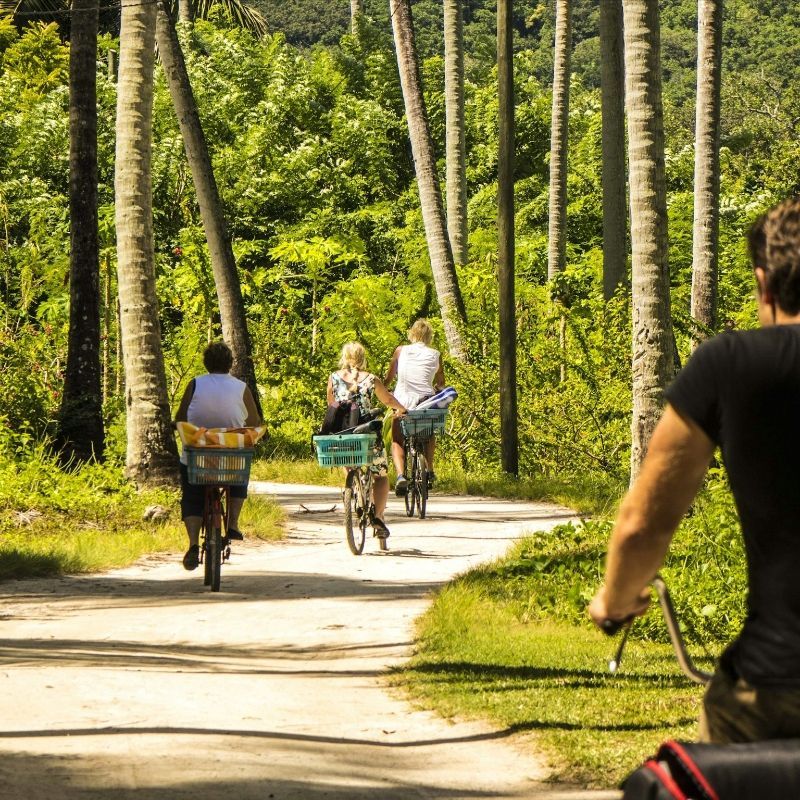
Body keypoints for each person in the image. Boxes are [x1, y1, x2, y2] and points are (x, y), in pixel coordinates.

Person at [588, 197, 800, 744]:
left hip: (771, 686)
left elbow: (644, 524)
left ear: (763, 282)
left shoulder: (729, 364)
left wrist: (614, 602)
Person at [174, 341, 261, 571]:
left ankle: (193, 544)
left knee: (192, 495)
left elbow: (181, 418)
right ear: (230, 363)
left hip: (198, 456)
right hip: (230, 458)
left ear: (206, 363)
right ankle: (232, 524)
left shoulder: (195, 384)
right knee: (240, 475)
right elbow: (254, 423)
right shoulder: (241, 387)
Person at [328, 341, 406, 540]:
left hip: (343, 432)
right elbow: (387, 399)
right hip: (366, 433)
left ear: (344, 358)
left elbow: (331, 404)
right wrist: (401, 409)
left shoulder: (334, 377)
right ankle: (378, 518)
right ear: (363, 358)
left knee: (348, 456)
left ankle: (354, 487)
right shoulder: (371, 379)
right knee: (380, 475)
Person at [384, 319, 445, 495]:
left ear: (412, 334)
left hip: (402, 403)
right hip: (425, 402)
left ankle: (401, 475)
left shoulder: (400, 351)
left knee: (397, 440)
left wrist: (385, 388)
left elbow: (388, 378)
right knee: (429, 431)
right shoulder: (436, 354)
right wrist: (436, 389)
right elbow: (441, 382)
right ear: (429, 337)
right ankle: (430, 469)